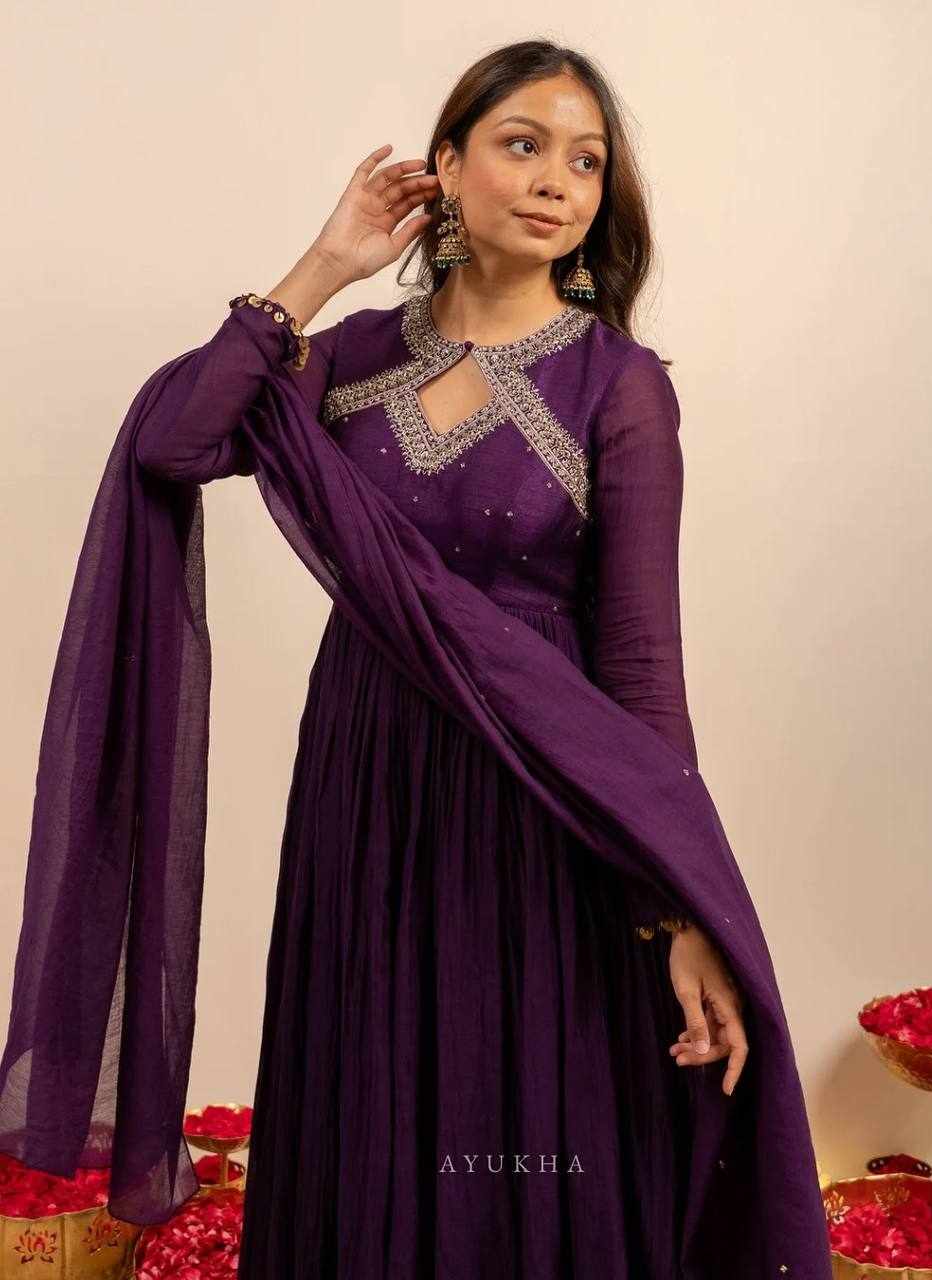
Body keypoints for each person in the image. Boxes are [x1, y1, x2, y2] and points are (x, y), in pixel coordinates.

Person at [0, 40, 832, 1280]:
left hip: (541, 809)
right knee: (370, 1090)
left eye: (586, 162)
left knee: (527, 1109)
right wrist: (322, 265)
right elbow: (173, 444)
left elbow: (641, 663)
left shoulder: (618, 387)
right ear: (445, 164)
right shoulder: (345, 361)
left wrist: (679, 907)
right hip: (368, 792)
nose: (556, 181)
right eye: (522, 143)